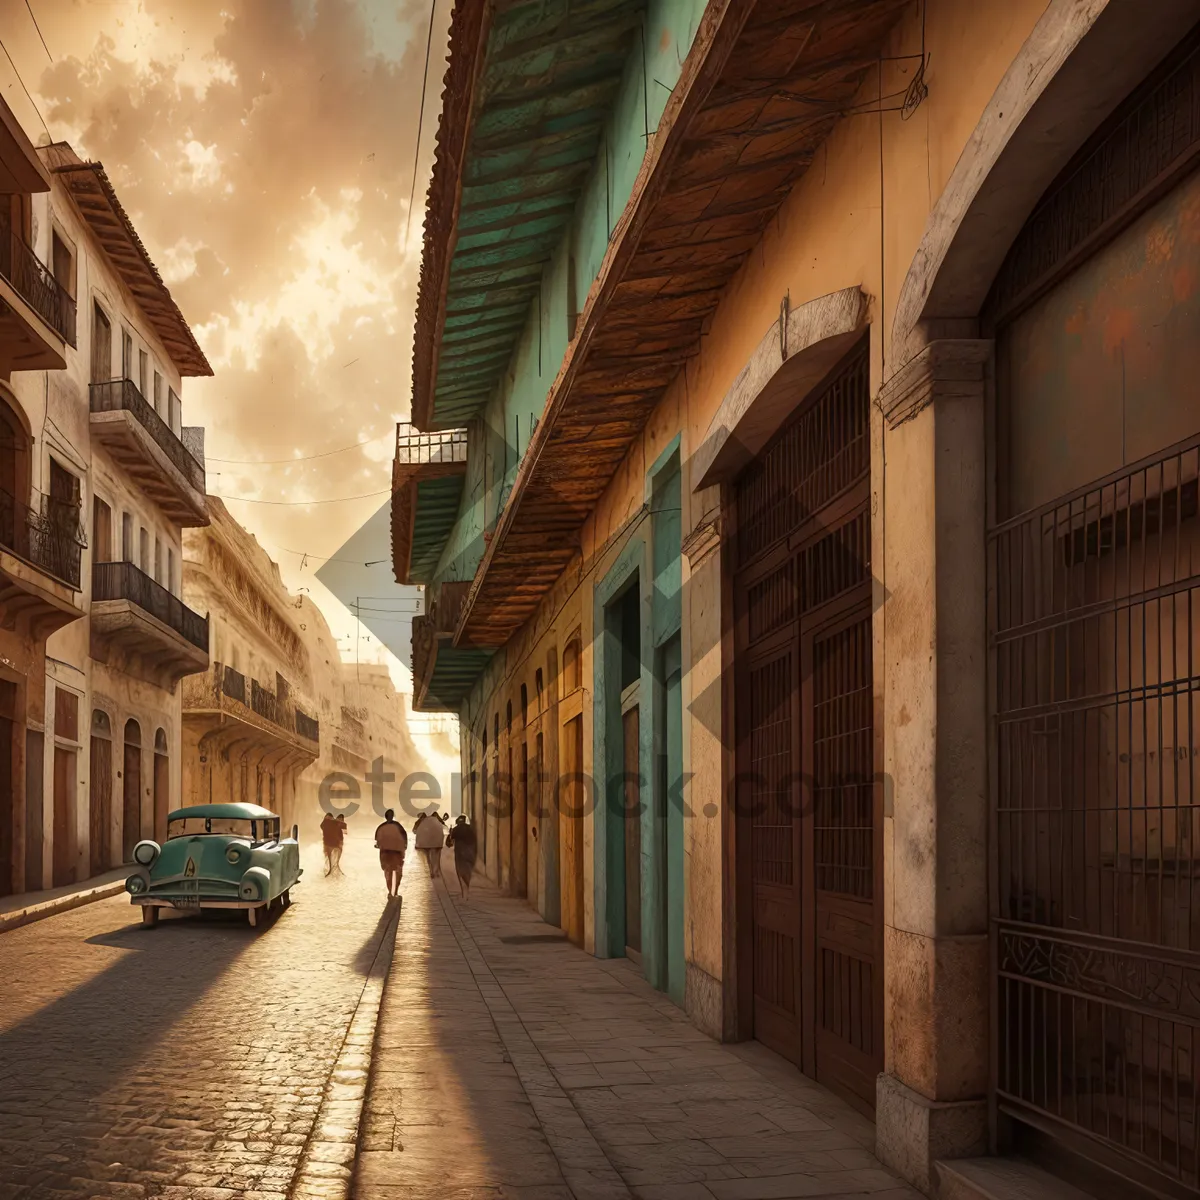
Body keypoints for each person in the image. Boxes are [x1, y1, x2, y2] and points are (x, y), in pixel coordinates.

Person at [374, 809, 407, 898]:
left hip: (385, 853)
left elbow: (377, 841)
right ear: (393, 816)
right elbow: (404, 837)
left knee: (387, 872)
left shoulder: (381, 827)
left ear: (385, 817)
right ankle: (395, 890)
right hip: (397, 852)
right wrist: (404, 846)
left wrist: (379, 845)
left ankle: (389, 890)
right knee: (398, 872)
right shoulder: (398, 826)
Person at [445, 815, 477, 901]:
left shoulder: (456, 829)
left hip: (460, 855)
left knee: (461, 873)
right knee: (468, 872)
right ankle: (467, 891)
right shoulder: (471, 830)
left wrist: (450, 833)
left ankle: (464, 893)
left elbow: (448, 843)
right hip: (471, 854)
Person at [414, 808, 447, 879]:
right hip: (437, 841)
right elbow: (443, 823)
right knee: (437, 856)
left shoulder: (421, 820)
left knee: (428, 857)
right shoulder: (436, 818)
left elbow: (414, 830)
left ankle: (431, 871)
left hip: (426, 842)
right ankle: (436, 870)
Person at [320, 811, 344, 876]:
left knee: (330, 858)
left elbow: (322, 827)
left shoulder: (329, 823)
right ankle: (332, 869)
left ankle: (332, 869)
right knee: (331, 858)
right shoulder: (331, 823)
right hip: (331, 843)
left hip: (331, 843)